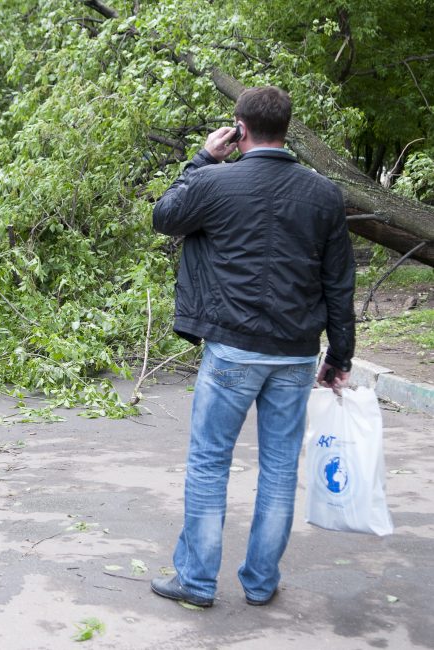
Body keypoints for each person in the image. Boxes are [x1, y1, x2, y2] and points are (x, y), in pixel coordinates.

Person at [150, 86, 355, 608]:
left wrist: (201, 158)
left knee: (209, 463)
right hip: (294, 353)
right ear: (287, 128)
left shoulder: (215, 182)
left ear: (240, 128)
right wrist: (340, 356)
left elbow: (164, 217)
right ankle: (261, 583)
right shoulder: (324, 194)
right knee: (281, 468)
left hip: (233, 351)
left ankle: (196, 583)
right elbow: (339, 281)